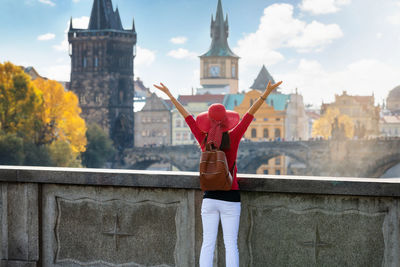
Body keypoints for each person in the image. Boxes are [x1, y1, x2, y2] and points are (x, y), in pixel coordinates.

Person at [154, 81, 282, 267]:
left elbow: (188, 117)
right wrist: (266, 93)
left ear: (208, 120)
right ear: (226, 120)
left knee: (208, 244)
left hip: (210, 198)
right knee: (231, 245)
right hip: (231, 196)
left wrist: (171, 95)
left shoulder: (203, 139)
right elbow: (249, 116)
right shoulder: (234, 136)